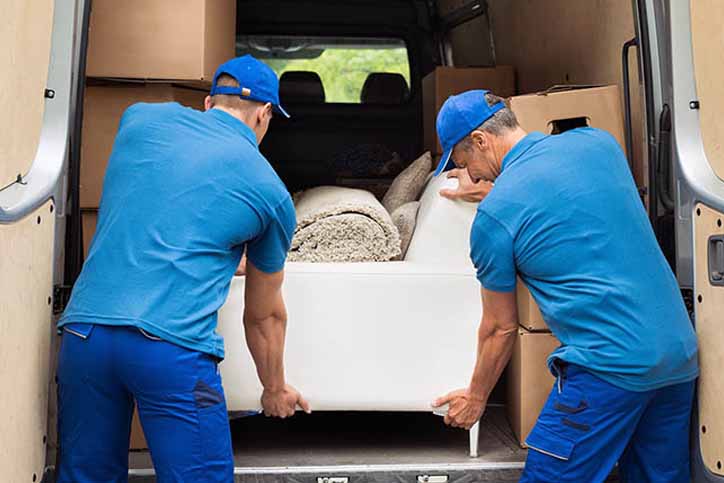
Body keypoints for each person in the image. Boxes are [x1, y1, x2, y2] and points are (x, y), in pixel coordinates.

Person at [56, 55, 309, 483]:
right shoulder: (270, 193)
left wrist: (217, 254)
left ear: (209, 102)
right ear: (265, 116)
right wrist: (274, 388)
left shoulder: (138, 121)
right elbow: (263, 316)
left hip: (85, 335)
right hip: (169, 348)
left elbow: (171, 206)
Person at [431, 90, 698, 482]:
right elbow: (568, 193)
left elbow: (500, 328)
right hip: (677, 358)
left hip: (610, 367)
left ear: (480, 141)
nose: (470, 174)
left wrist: (476, 398)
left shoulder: (494, 218)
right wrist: (497, 191)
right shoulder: (599, 145)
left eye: (464, 161)